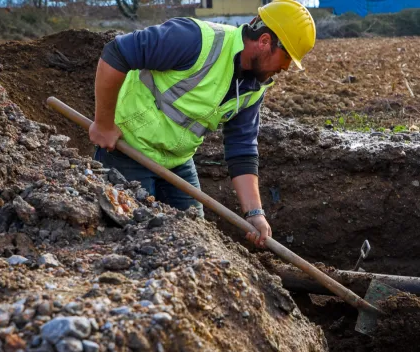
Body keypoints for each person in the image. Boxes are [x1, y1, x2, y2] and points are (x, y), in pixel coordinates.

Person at [90, 0, 316, 248]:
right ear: (264, 42)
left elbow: (241, 148)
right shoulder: (194, 40)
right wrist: (103, 124)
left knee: (196, 241)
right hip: (128, 149)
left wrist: (255, 214)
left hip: (176, 161)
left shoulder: (253, 87)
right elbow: (117, 53)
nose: (285, 68)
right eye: (286, 58)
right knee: (131, 236)